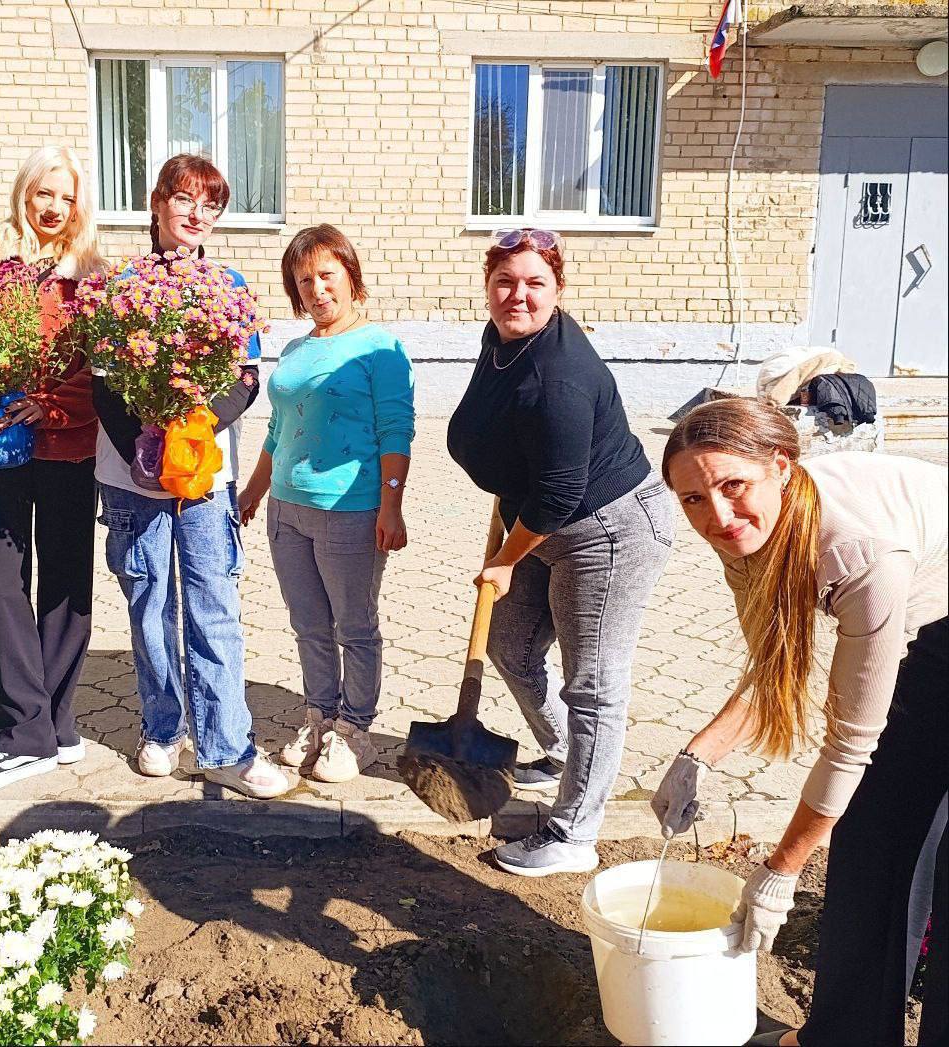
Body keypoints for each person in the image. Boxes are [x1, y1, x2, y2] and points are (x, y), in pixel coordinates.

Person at [652, 397, 947, 1047]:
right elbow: (776, 660)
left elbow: (850, 745)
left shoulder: (860, 548)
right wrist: (699, 753)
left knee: (893, 824)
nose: (718, 515)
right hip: (924, 612)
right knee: (880, 836)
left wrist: (781, 870)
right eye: (693, 499)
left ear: (781, 465)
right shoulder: (742, 533)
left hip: (935, 618)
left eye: (734, 486)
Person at [446, 228, 674, 876]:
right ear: (489, 284)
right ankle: (561, 752)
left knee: (594, 685)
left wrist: (505, 558)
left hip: (607, 532)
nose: (518, 294)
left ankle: (575, 832)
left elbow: (558, 491)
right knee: (509, 645)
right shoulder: (505, 338)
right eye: (505, 281)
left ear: (558, 289)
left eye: (534, 283)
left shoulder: (560, 376)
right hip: (542, 525)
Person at [93, 154, 289, 799]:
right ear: (156, 203)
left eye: (210, 206)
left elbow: (247, 377)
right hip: (133, 478)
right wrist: (144, 453)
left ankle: (228, 748)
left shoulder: (227, 286)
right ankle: (161, 729)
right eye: (185, 200)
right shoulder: (122, 285)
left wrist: (195, 428)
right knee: (150, 603)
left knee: (213, 607)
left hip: (205, 477)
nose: (196, 216)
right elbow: (103, 385)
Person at [239, 224, 415, 784]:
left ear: (350, 277)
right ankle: (319, 715)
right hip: (286, 510)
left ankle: (355, 729)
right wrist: (252, 492)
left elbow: (396, 431)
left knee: (354, 626)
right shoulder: (295, 349)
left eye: (326, 276)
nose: (316, 290)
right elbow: (276, 429)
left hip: (352, 510)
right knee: (309, 625)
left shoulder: (379, 347)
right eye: (303, 280)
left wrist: (391, 507)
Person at [0, 146, 104, 793]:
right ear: (24, 194)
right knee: (3, 585)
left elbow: (104, 378)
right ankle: (24, 733)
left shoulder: (92, 279)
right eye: (44, 193)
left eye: (65, 196)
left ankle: (52, 721)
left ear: (79, 207)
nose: (52, 207)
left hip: (68, 449)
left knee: (67, 583)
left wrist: (47, 404)